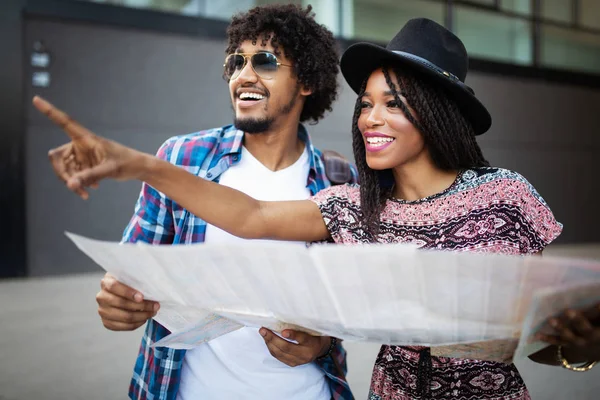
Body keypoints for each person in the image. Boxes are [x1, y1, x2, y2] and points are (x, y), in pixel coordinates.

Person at [37, 17, 600, 400]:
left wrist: (581, 345)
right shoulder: (355, 206)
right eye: (367, 105)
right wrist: (136, 163)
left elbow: (549, 345)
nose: (371, 119)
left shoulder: (506, 196)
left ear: (436, 112)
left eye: (394, 105)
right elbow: (249, 216)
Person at [40, 4, 358, 400]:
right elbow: (130, 271)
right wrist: (117, 299)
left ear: (307, 80)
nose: (243, 75)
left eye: (265, 61)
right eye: (236, 62)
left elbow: (349, 306)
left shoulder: (338, 179)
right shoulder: (181, 158)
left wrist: (323, 344)